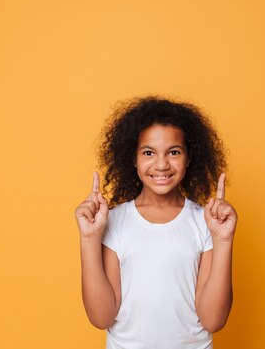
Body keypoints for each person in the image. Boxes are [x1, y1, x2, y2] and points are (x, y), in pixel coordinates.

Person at [74, 96, 238, 349]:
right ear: (133, 159)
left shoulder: (205, 222)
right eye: (149, 152)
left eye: (173, 152)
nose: (161, 164)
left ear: (189, 158)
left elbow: (213, 320)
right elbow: (101, 316)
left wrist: (224, 239)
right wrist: (88, 238)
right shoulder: (114, 221)